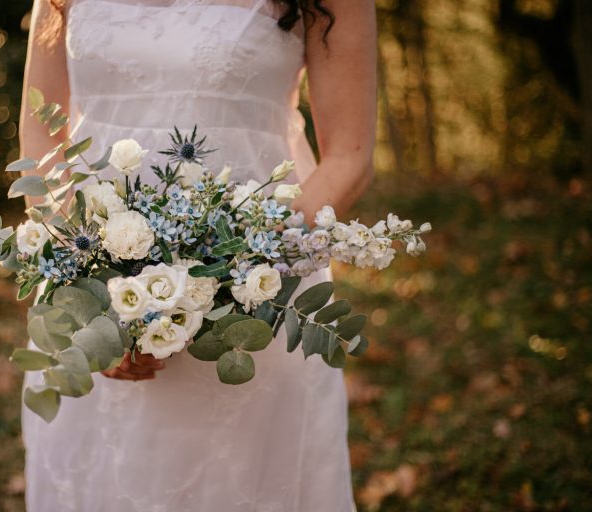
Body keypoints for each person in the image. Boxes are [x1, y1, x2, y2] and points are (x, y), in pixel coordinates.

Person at [19, 0, 376, 510]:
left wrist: (240, 273)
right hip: (91, 285)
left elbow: (349, 156)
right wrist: (84, 290)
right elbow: (42, 134)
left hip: (256, 304)